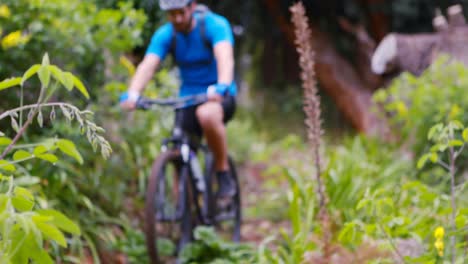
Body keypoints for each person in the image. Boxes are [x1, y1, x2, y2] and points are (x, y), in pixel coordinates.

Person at [120, 0, 237, 198]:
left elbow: (225, 57)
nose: (177, 19)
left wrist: (222, 85)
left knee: (206, 115)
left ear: (192, 7)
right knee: (179, 149)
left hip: (218, 96)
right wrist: (133, 93)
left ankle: (222, 171)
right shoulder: (167, 34)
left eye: (181, 12)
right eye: (172, 14)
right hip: (187, 100)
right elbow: (149, 64)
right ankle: (185, 208)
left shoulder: (214, 25)